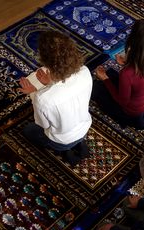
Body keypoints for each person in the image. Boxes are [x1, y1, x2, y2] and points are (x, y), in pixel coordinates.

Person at [19, 30, 92, 165]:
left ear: (45, 60)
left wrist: (34, 91)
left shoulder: (42, 99)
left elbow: (43, 125)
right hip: (84, 127)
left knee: (28, 130)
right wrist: (50, 83)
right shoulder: (85, 71)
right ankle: (77, 145)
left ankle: (63, 150)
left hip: (61, 140)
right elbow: (67, 89)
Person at [92, 19, 144, 131]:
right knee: (114, 76)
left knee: (96, 88)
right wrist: (128, 62)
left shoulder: (127, 73)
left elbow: (122, 101)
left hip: (133, 110)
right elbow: (142, 75)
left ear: (133, 43)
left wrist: (105, 79)